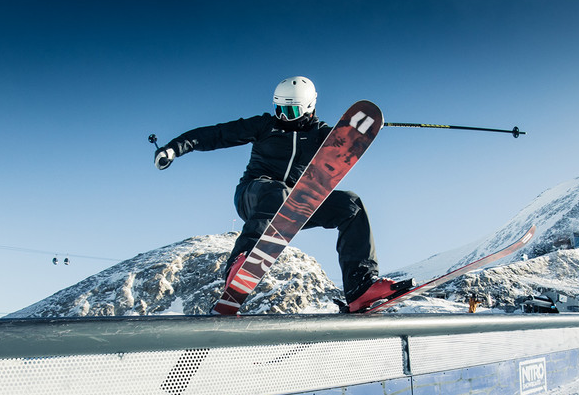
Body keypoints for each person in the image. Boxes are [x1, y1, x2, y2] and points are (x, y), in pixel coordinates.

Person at [153, 76, 405, 312]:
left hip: (296, 204)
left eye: (291, 111)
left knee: (351, 205)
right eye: (279, 109)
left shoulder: (320, 135)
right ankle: (241, 262)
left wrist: (357, 133)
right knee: (277, 191)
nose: (283, 116)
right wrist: (174, 148)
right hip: (253, 196)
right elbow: (217, 134)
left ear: (308, 107)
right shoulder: (265, 125)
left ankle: (360, 286)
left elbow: (343, 145)